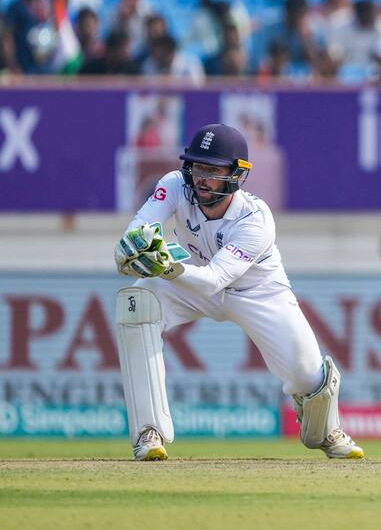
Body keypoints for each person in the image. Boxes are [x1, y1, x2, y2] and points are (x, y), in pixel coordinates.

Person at [113, 124, 364, 461]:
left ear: (236, 174)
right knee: (137, 302)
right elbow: (138, 229)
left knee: (306, 373)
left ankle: (325, 430)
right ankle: (148, 432)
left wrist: (168, 267)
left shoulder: (255, 219)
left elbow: (215, 279)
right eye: (198, 167)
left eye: (213, 170)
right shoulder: (174, 185)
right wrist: (128, 251)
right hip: (191, 284)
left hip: (256, 292)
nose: (202, 178)